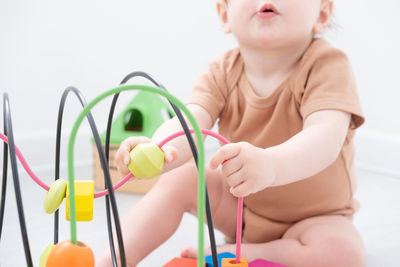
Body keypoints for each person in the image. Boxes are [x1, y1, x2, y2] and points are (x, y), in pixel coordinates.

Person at [97, 0, 366, 266]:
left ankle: (245, 253)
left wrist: (270, 165)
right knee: (180, 178)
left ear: (322, 13)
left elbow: (325, 137)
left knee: (344, 251)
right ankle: (112, 259)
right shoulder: (222, 72)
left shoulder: (328, 66)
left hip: (314, 219)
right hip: (241, 208)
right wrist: (155, 149)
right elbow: (190, 121)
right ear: (225, 14)